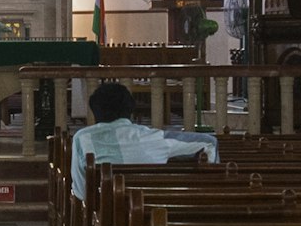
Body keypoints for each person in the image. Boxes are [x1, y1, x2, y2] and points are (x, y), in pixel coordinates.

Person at [67, 78, 220, 199]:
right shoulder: (155, 138)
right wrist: (206, 188)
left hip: (102, 217)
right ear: (130, 109)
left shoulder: (82, 138)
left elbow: (81, 193)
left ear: (95, 111)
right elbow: (209, 142)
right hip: (150, 217)